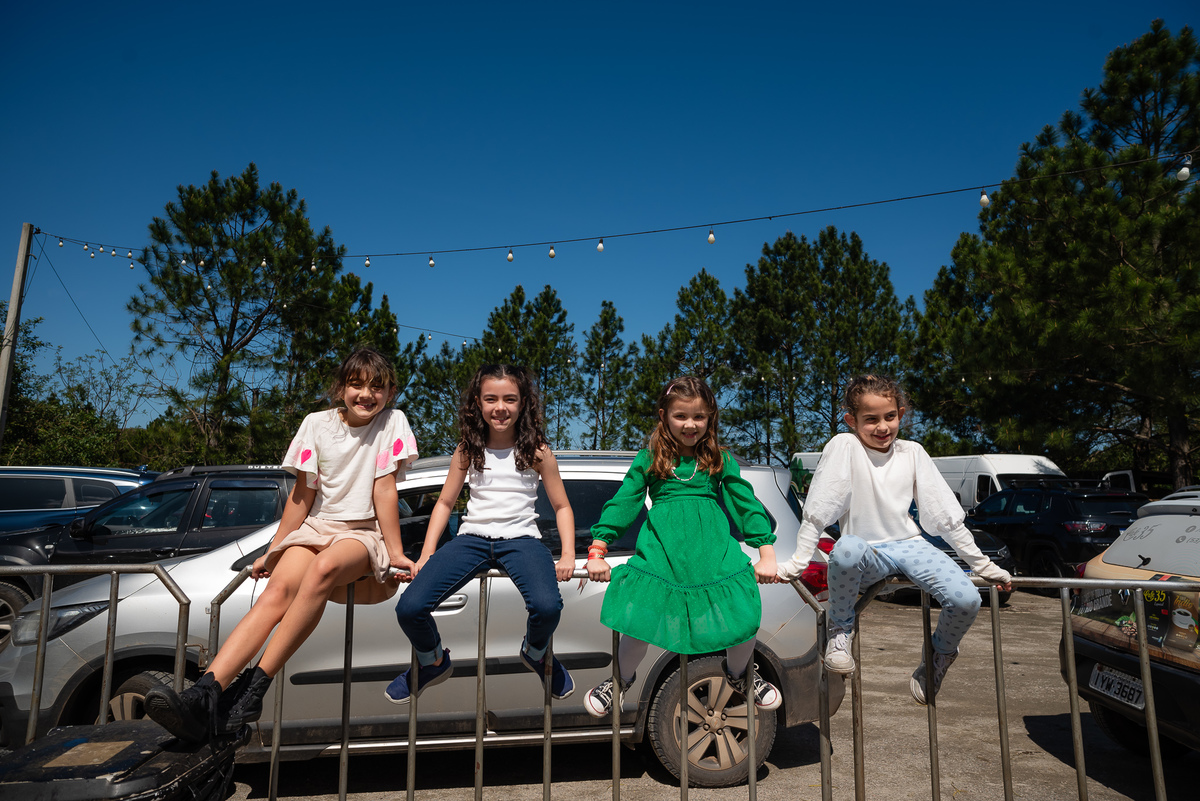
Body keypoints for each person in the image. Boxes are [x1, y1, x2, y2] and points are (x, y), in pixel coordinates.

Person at [145, 347, 419, 742]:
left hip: (361, 533)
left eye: (377, 387)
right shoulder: (315, 424)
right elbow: (302, 496)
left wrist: (394, 552)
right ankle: (206, 693)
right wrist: (272, 549)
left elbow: (384, 489)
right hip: (316, 527)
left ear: (390, 393)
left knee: (323, 569)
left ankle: (254, 687)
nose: (366, 395)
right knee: (276, 592)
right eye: (356, 384)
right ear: (340, 388)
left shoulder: (392, 422)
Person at [776, 374, 1013, 704]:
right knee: (845, 548)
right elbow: (820, 506)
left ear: (901, 413)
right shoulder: (845, 446)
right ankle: (841, 631)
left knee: (968, 599)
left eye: (889, 417)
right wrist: (800, 560)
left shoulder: (912, 452)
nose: (882, 427)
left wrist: (983, 565)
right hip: (865, 549)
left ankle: (938, 655)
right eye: (870, 419)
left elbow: (945, 514)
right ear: (851, 421)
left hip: (909, 544)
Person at [582, 376, 782, 719]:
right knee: (638, 619)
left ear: (710, 419)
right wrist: (598, 547)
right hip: (663, 553)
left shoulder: (719, 458)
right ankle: (619, 681)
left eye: (699, 417)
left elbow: (745, 502)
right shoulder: (649, 458)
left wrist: (766, 551)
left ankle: (740, 675)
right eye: (680, 416)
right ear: (664, 416)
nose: (690, 425)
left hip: (713, 552)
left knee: (743, 612)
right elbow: (624, 502)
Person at [388, 364, 576, 702]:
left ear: (523, 404)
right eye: (491, 399)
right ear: (478, 402)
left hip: (522, 541)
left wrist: (568, 555)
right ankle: (431, 661)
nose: (500, 407)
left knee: (548, 607)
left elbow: (562, 507)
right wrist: (428, 552)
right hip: (472, 540)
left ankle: (536, 652)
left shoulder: (539, 452)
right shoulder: (467, 450)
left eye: (510, 399)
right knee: (410, 607)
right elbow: (444, 503)